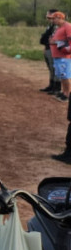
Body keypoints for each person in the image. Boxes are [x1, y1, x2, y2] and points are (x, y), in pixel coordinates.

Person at [49, 11, 71, 163]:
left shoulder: (67, 26)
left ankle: (67, 93)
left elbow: (69, 43)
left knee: (65, 76)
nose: (52, 20)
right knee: (62, 76)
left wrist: (59, 45)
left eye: (54, 18)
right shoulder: (58, 28)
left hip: (63, 57)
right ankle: (65, 92)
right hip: (58, 57)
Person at [40, 9, 61, 95]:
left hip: (54, 49)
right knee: (51, 69)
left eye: (49, 16)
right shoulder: (51, 26)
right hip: (48, 48)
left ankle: (57, 87)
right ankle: (51, 85)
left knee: (55, 69)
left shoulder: (57, 26)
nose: (48, 18)